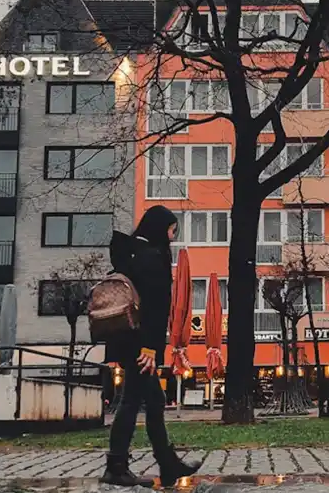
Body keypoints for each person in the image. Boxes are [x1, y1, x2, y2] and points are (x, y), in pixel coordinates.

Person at [101, 205, 200, 487]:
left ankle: (165, 465)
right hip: (140, 346)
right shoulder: (151, 259)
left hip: (128, 341)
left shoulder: (132, 254)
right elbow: (155, 309)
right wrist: (150, 349)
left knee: (152, 401)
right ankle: (119, 467)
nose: (172, 236)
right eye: (171, 230)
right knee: (134, 401)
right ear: (159, 229)